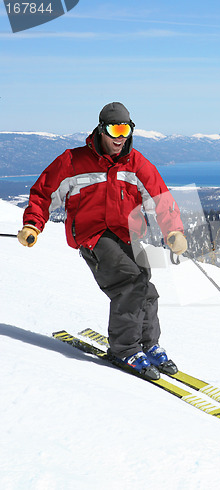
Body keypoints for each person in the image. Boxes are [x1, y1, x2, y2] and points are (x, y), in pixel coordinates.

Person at [17, 102, 187, 380]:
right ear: (101, 129)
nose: (120, 137)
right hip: (92, 235)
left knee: (146, 285)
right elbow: (44, 192)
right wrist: (32, 224)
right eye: (114, 129)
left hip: (126, 235)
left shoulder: (137, 164)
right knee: (129, 283)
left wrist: (174, 231)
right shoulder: (73, 161)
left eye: (126, 129)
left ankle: (147, 343)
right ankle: (124, 349)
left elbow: (160, 199)